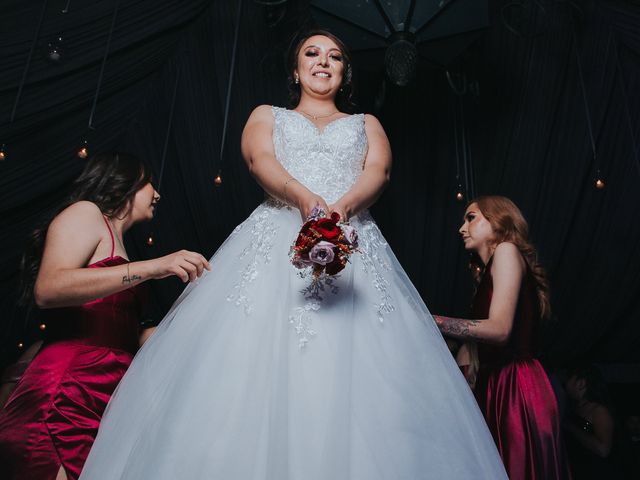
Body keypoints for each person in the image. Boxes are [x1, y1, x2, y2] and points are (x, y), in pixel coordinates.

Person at [79, 31, 507, 479]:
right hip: (277, 234)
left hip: (352, 236)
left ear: (345, 72)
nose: (324, 62)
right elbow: (258, 158)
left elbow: (378, 173)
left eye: (336, 56)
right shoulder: (268, 115)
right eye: (312, 53)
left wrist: (339, 210)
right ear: (295, 68)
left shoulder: (366, 123)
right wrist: (302, 198)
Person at [0, 153, 210, 480]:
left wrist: (200, 317)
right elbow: (49, 287)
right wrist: (153, 268)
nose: (157, 194)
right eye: (150, 183)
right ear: (126, 181)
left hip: (105, 398)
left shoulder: (122, 243)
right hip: (64, 395)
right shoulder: (87, 214)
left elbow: (121, 333)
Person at [434, 196, 571, 479]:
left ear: (498, 221)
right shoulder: (486, 273)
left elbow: (499, 330)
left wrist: (430, 321)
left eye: (471, 218)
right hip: (497, 385)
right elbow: (472, 352)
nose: (462, 228)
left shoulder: (506, 250)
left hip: (518, 386)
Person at [563, 365, 617, 478]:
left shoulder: (599, 411)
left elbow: (603, 450)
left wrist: (572, 428)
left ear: (581, 383)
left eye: (569, 378)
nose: (565, 383)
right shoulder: (574, 408)